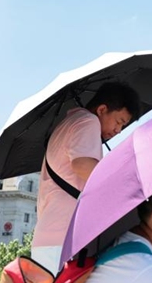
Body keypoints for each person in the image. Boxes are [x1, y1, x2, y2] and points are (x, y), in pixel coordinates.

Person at [31, 82, 141, 272]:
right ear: (102, 109)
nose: (118, 130)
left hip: (50, 236)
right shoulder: (88, 122)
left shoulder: (69, 124)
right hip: (65, 239)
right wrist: (125, 184)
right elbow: (82, 165)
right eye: (119, 121)